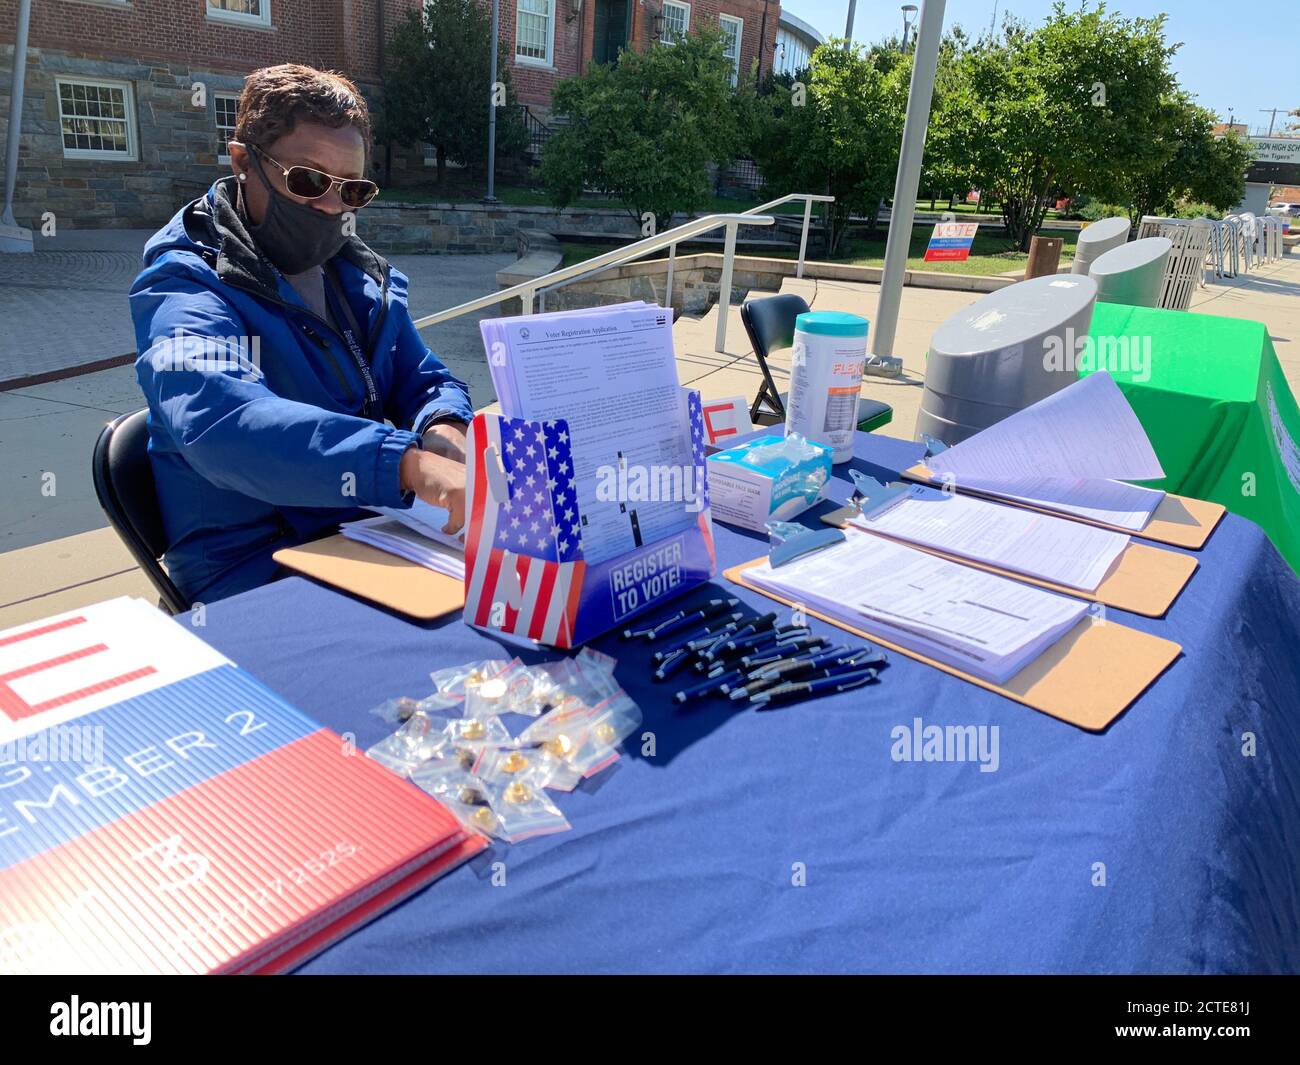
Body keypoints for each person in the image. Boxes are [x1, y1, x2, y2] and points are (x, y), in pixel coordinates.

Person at [130, 64, 472, 605]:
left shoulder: (354, 276)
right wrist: (401, 462)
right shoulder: (184, 287)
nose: (331, 208)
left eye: (352, 190)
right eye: (308, 181)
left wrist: (444, 426)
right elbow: (221, 421)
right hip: (250, 569)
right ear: (243, 162)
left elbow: (422, 377)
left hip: (362, 531)